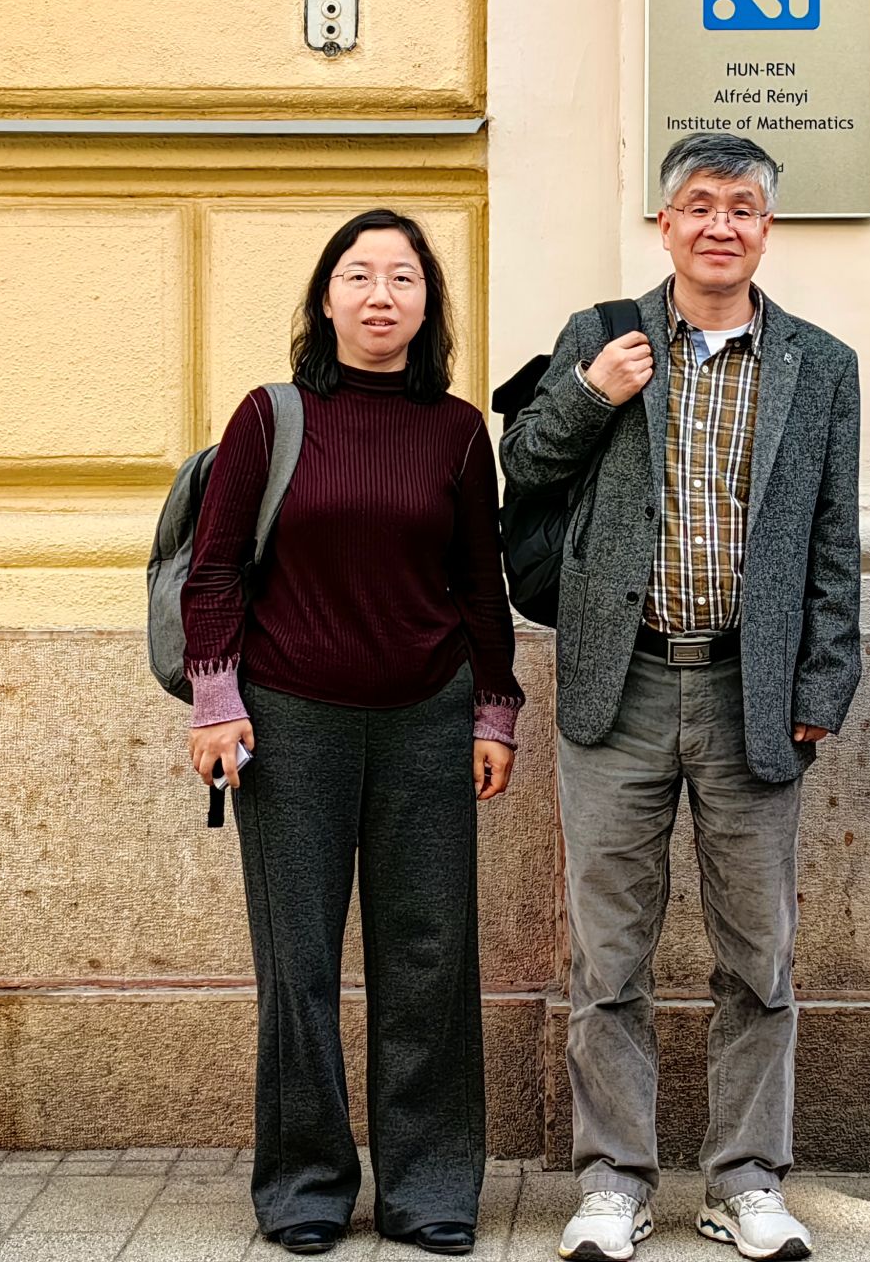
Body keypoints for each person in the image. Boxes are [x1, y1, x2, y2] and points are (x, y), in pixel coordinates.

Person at [500, 133, 862, 1262]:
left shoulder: (820, 363)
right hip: (621, 685)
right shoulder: (601, 336)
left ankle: (746, 1180)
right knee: (609, 956)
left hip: (753, 693)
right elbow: (525, 463)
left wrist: (823, 679)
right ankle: (614, 1180)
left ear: (767, 229)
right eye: (699, 204)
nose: (720, 225)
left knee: (759, 957)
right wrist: (590, 394)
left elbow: (832, 540)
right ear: (664, 224)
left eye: (741, 207)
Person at [180, 209, 522, 1258]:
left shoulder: (456, 431)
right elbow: (214, 570)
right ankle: (306, 1184)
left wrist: (495, 709)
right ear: (326, 299)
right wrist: (216, 700)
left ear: (428, 305)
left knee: (429, 959)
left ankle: (429, 1185)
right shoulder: (270, 417)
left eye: (403, 278)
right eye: (359, 275)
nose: (381, 295)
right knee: (297, 963)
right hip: (290, 724)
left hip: (427, 720)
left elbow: (479, 583)